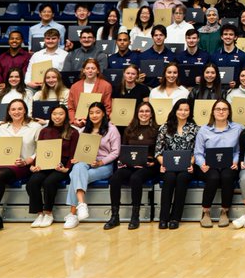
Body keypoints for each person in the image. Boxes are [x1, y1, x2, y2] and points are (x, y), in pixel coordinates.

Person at [0, 99, 41, 233]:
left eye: (19, 109)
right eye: (13, 109)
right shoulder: (2, 127)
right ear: (9, 111)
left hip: (23, 164)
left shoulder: (35, 127)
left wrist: (27, 161)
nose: (16, 112)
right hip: (3, 162)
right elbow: (0, 148)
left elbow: (39, 149)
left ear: (25, 110)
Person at [61, 101, 119, 229]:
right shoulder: (83, 130)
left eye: (98, 112)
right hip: (86, 162)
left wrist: (100, 162)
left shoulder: (111, 129)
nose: (94, 115)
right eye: (91, 113)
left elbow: (116, 152)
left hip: (104, 165)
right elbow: (80, 149)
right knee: (77, 168)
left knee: (75, 176)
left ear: (104, 114)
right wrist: (77, 158)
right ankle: (81, 205)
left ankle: (72, 214)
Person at [104, 101, 160, 230]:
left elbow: (160, 151)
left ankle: (135, 216)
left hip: (148, 166)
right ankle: (114, 216)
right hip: (130, 164)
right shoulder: (129, 129)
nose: (144, 114)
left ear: (151, 114)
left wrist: (153, 162)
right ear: (137, 113)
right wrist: (124, 162)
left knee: (136, 178)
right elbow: (123, 149)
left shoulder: (156, 130)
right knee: (115, 178)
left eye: (147, 111)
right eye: (141, 111)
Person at [22, 104, 75, 229]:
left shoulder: (73, 132)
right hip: (45, 164)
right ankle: (39, 214)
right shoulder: (44, 131)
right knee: (32, 182)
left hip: (61, 166)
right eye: (54, 114)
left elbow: (73, 153)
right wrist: (34, 166)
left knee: (49, 182)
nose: (57, 116)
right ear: (51, 116)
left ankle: (48, 213)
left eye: (61, 114)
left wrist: (67, 168)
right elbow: (40, 150)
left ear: (66, 115)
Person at [193, 99, 242, 227]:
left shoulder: (237, 129)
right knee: (213, 177)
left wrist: (235, 162)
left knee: (227, 176)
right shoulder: (204, 130)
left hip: (229, 164)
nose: (221, 112)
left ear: (229, 112)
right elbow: (198, 153)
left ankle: (225, 211)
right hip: (208, 165)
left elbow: (238, 151)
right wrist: (202, 164)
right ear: (213, 112)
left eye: (224, 109)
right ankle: (206, 212)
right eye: (218, 109)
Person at [155, 98, 198, 229]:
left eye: (186, 110)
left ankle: (175, 218)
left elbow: (197, 151)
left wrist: (190, 164)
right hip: (168, 166)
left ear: (190, 112)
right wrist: (164, 164)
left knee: (182, 179)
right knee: (169, 178)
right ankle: (163, 218)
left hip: (187, 167)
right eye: (180, 109)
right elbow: (158, 151)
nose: (183, 112)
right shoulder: (165, 127)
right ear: (175, 110)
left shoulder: (195, 128)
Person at [67, 58, 114, 128]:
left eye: (93, 68)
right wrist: (74, 120)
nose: (90, 71)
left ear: (98, 71)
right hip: (78, 123)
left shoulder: (106, 86)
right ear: (83, 70)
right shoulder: (75, 86)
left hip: (98, 124)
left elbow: (108, 108)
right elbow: (71, 108)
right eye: (87, 68)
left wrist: (96, 121)